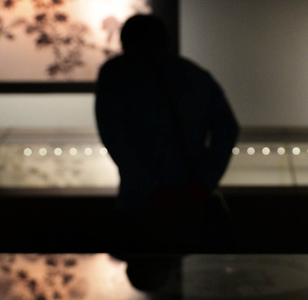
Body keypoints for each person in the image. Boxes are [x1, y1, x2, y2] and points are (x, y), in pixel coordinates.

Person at [95, 14, 239, 252]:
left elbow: (115, 137)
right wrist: (204, 182)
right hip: (192, 198)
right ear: (166, 41)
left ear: (125, 41)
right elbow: (227, 129)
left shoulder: (116, 72)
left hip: (141, 202)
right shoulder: (195, 74)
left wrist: (151, 188)